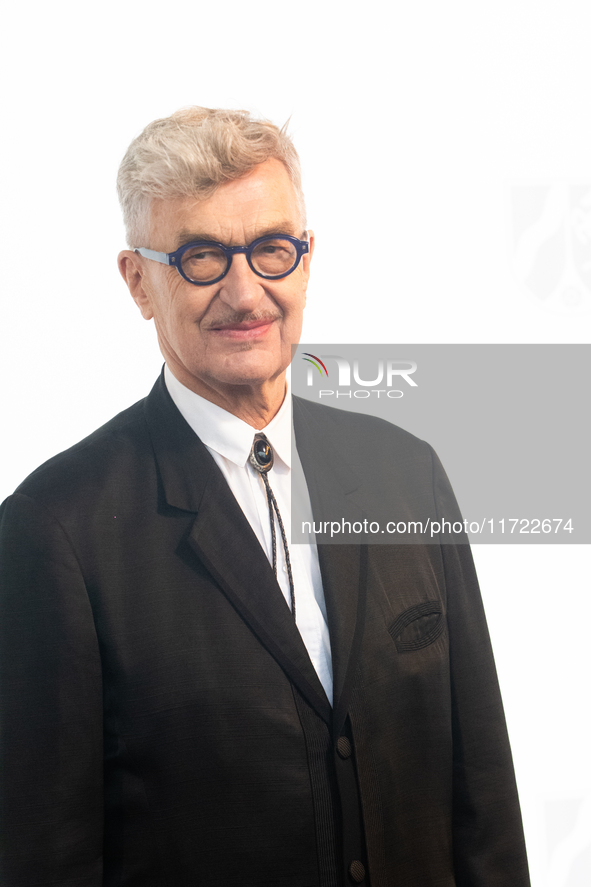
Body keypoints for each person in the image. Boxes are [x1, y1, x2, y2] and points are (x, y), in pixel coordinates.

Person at [0, 107, 530, 887]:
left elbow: (481, 797)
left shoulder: (406, 472)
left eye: (271, 250)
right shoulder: (53, 531)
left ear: (307, 260)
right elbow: (44, 857)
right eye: (201, 256)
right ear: (138, 281)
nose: (246, 293)